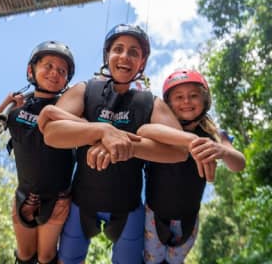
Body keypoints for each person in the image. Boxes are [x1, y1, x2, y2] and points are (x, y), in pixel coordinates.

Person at [38, 24, 202, 264]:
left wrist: (129, 146)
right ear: (108, 56)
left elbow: (178, 152)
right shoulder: (85, 90)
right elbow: (52, 133)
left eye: (134, 52)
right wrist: (101, 131)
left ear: (142, 63)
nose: (125, 56)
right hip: (81, 202)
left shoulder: (150, 102)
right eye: (118, 49)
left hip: (128, 207)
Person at [0, 41, 76, 264]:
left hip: (58, 197)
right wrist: (4, 106)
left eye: (62, 71)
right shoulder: (17, 108)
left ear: (66, 80)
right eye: (48, 66)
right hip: (24, 195)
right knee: (25, 255)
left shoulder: (69, 108)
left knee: (46, 256)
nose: (55, 73)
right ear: (31, 71)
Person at [137, 69, 246, 264]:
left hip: (188, 218)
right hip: (155, 215)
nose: (186, 101)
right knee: (152, 261)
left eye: (193, 96)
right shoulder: (164, 129)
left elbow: (239, 164)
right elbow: (144, 130)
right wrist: (189, 140)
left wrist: (223, 151)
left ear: (205, 100)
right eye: (179, 97)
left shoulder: (213, 134)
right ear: (169, 104)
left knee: (175, 261)